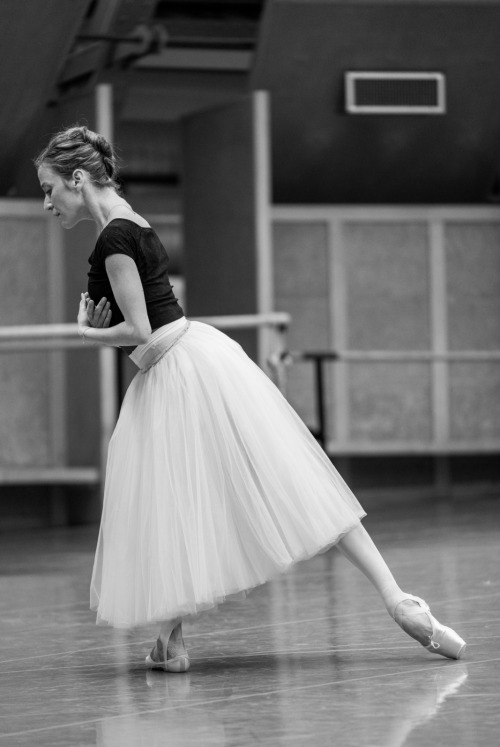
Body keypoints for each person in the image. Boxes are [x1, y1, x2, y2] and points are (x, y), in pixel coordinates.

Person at [35, 125, 466, 673]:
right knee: (270, 480)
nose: (48, 202)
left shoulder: (112, 239)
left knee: (178, 497)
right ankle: (395, 599)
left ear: (76, 179)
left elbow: (141, 329)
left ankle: (174, 643)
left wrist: (88, 331)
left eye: (50, 189)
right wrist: (111, 318)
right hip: (194, 358)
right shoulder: (132, 222)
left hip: (174, 370)